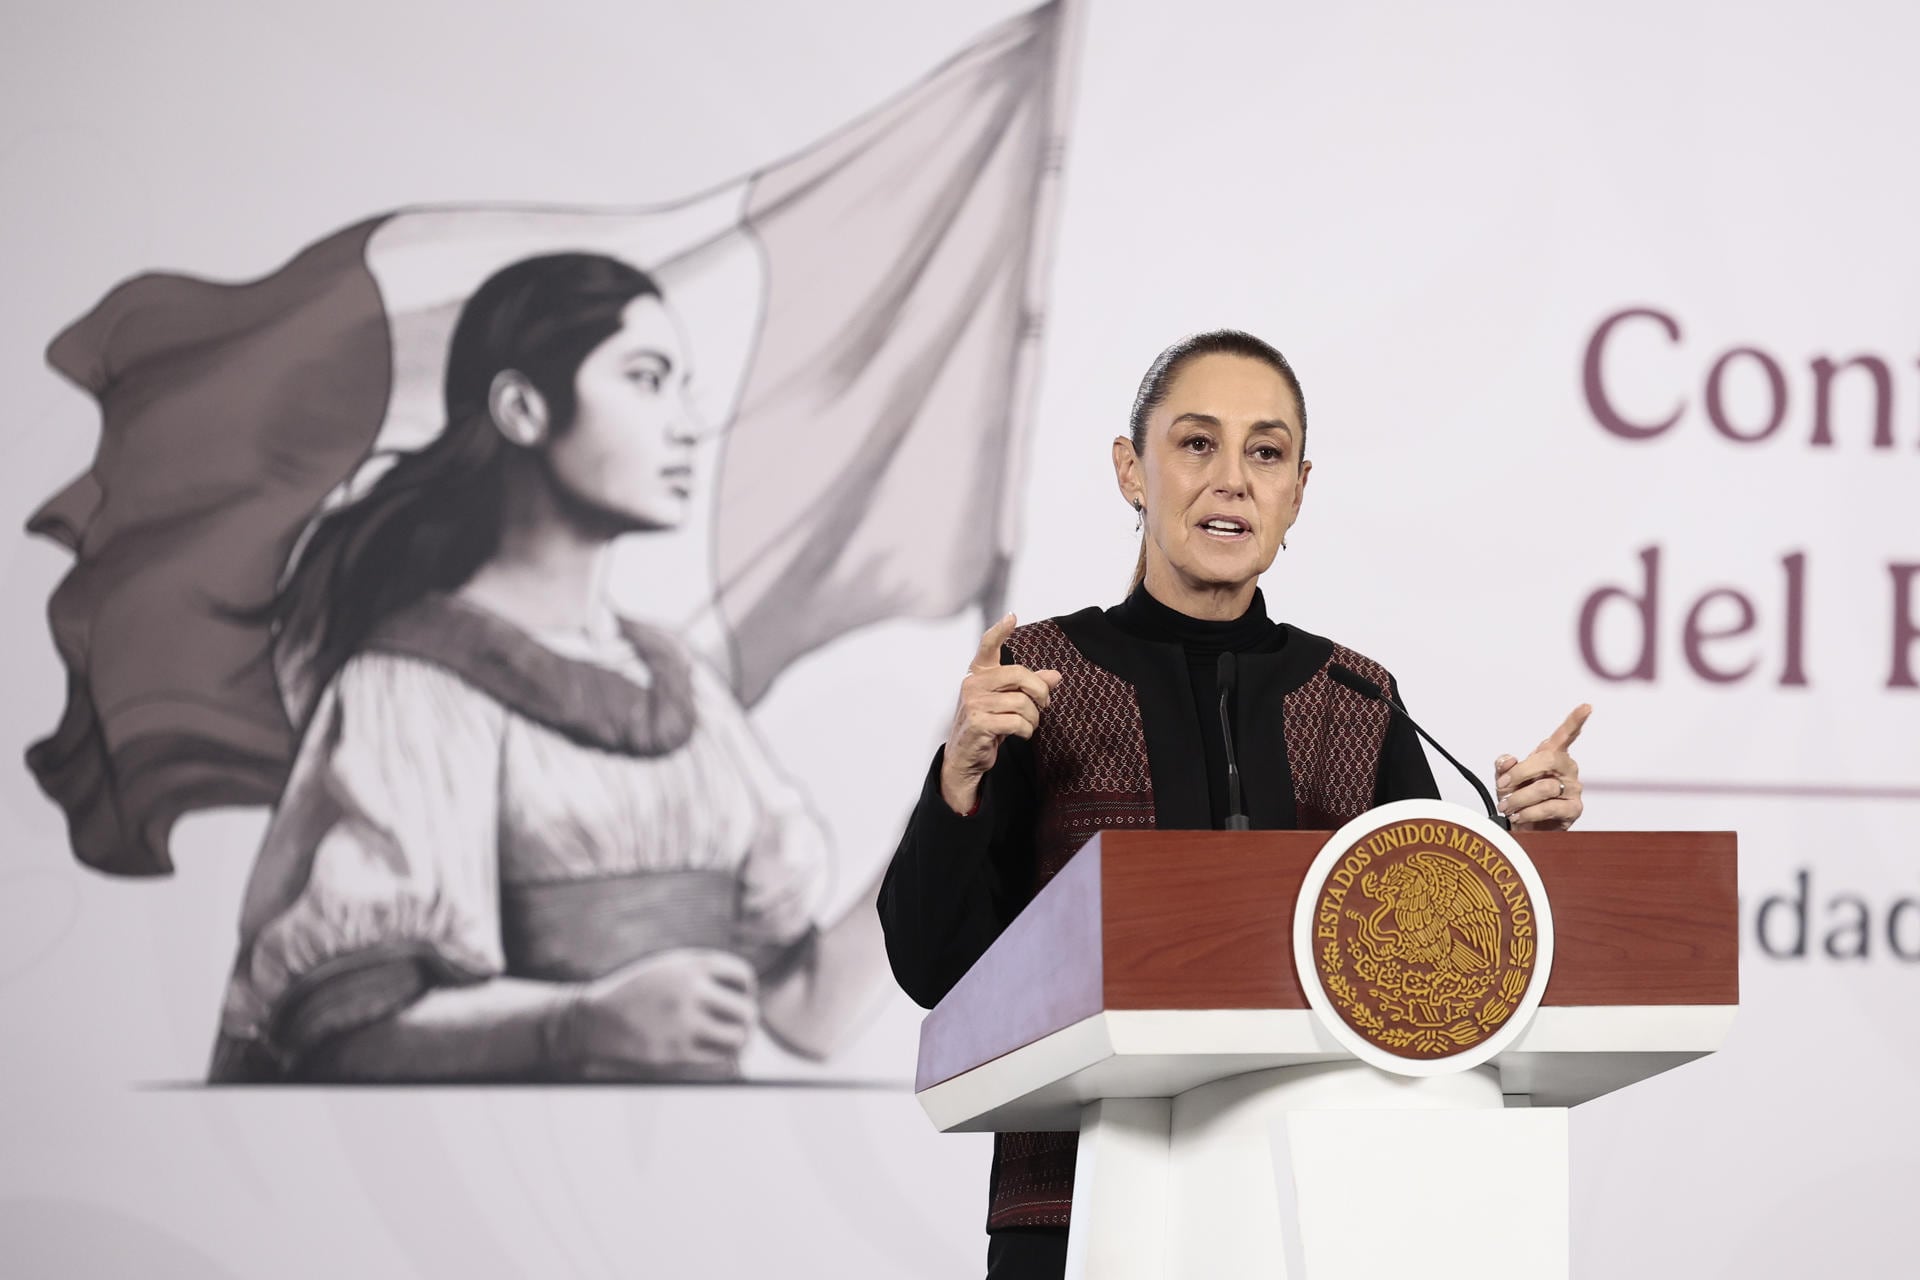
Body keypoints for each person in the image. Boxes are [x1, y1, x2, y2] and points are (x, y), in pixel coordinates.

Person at [876, 330, 1590, 1277]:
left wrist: (1523, 855)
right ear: (1133, 471)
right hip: (1078, 1206)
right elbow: (933, 967)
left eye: (1265, 452)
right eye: (1197, 444)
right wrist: (960, 774)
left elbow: (1431, 989)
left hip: (1315, 1211)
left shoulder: (1356, 696)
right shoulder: (1034, 683)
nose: (1233, 480)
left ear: (1298, 490)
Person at [210, 252, 883, 1082]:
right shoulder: (413, 688)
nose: (685, 423)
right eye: (646, 379)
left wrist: (966, 807)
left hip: (699, 1186)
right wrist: (579, 1024)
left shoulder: (685, 688)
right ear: (523, 408)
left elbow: (808, 1011)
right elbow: (345, 1035)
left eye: (681, 385)